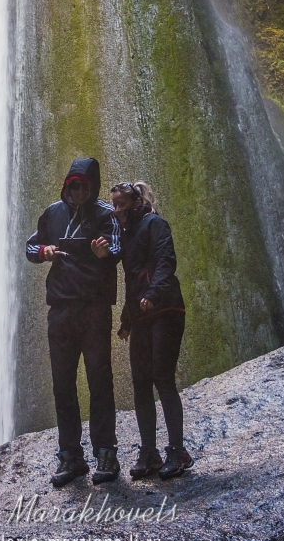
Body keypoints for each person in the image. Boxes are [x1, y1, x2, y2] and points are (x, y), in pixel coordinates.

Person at [26, 158, 122, 487]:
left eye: (84, 185)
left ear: (93, 186)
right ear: (67, 185)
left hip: (94, 308)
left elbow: (118, 246)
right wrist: (43, 252)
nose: (79, 191)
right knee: (63, 383)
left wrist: (104, 254)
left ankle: (106, 453)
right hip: (62, 309)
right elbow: (30, 245)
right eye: (73, 185)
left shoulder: (106, 214)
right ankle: (70, 456)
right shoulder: (53, 213)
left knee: (99, 379)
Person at [111, 181, 193, 480]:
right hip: (141, 313)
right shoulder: (126, 235)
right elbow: (132, 281)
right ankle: (149, 452)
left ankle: (178, 451)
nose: (117, 210)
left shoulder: (154, 223)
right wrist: (126, 319)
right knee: (141, 381)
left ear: (135, 202)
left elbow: (165, 261)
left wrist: (155, 293)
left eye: (121, 204)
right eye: (114, 206)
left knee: (162, 377)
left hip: (166, 308)